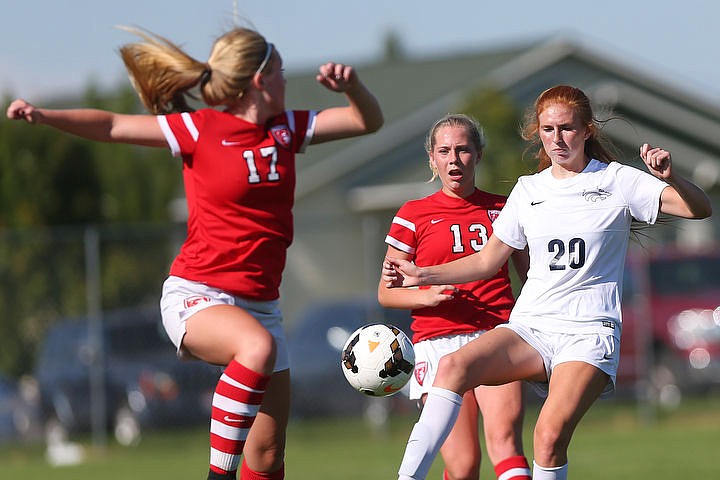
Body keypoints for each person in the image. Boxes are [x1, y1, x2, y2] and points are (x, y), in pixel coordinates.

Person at [7, 25, 383, 480]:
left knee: (267, 456)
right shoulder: (200, 129)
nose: (288, 79)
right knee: (256, 348)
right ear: (260, 80)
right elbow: (112, 125)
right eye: (281, 71)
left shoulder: (287, 129)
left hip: (262, 305)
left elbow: (367, 121)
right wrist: (45, 116)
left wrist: (353, 88)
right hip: (199, 294)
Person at [382, 85, 712, 480]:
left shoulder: (618, 180)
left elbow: (700, 209)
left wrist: (672, 177)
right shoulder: (528, 190)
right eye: (548, 129)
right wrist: (420, 274)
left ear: (587, 130)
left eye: (567, 128)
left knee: (548, 436)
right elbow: (488, 260)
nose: (557, 138)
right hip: (532, 327)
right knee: (451, 368)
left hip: (588, 332)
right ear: (537, 132)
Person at [377, 114, 531, 480]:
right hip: (438, 343)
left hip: (497, 336)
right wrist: (425, 296)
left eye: (463, 149)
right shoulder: (413, 215)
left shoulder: (505, 208)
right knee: (462, 465)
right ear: (432, 159)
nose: (453, 159)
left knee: (506, 443)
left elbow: (530, 276)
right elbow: (386, 291)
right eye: (444, 151)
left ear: (478, 155)